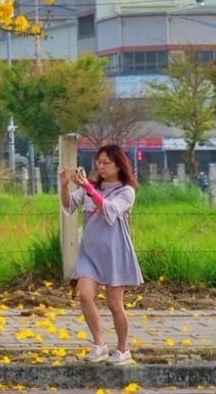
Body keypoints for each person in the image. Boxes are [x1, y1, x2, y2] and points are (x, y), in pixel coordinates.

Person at [59, 143, 143, 364]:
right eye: (99, 162)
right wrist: (64, 186)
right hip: (89, 252)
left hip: (114, 252)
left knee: (115, 304)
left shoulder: (126, 191)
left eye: (106, 162)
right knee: (85, 295)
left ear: (119, 165)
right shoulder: (92, 186)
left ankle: (123, 349)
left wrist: (88, 188)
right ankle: (99, 344)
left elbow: (110, 210)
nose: (101, 166)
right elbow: (69, 206)